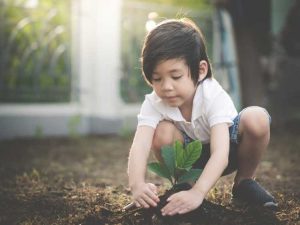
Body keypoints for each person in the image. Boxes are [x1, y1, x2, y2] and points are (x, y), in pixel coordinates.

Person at [127, 18, 277, 216]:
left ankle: (244, 183)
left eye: (176, 76)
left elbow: (221, 154)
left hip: (229, 151)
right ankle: (184, 185)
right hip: (189, 159)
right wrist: (137, 185)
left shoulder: (211, 95)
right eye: (157, 78)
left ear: (200, 70)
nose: (167, 86)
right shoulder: (154, 102)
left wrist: (199, 193)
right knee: (161, 131)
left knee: (256, 118)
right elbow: (140, 144)